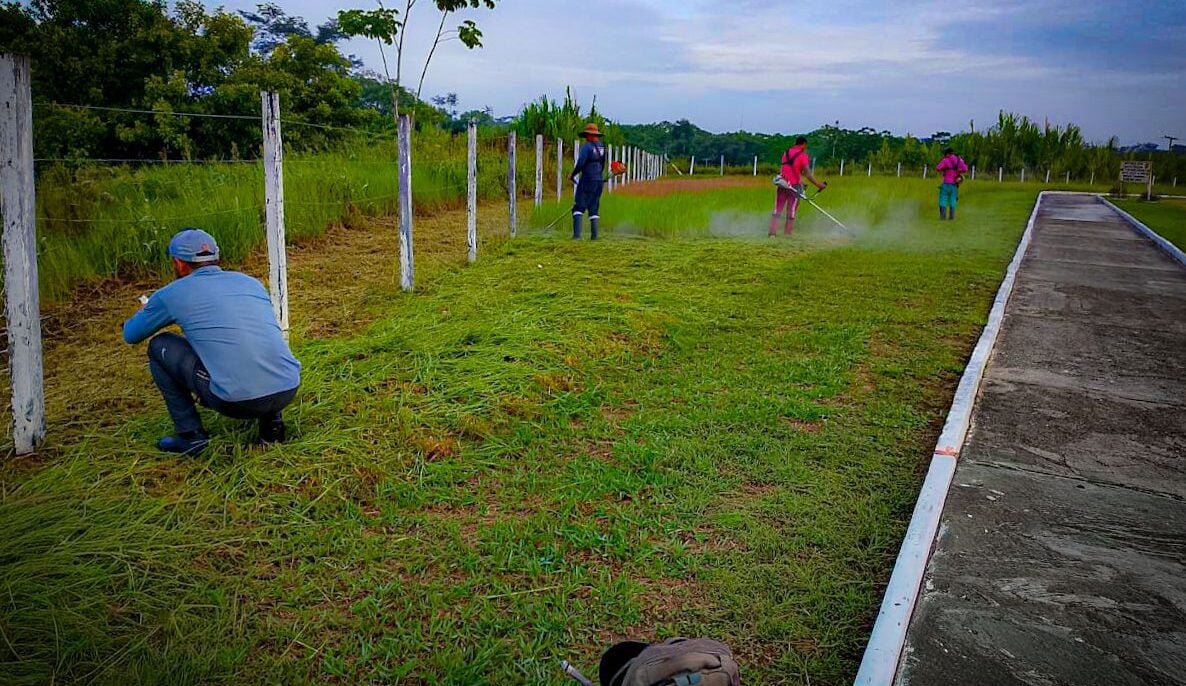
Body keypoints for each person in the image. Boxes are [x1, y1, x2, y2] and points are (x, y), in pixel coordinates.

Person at [123, 228, 301, 455]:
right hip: (288, 387)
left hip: (237, 401)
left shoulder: (171, 294)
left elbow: (131, 334)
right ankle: (272, 428)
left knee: (160, 345)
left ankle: (191, 437)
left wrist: (147, 310)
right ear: (216, 256)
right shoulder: (250, 282)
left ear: (178, 263)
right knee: (250, 340)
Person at [772, 136, 827, 237]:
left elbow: (788, 170)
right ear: (804, 144)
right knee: (791, 210)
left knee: (778, 209)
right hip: (794, 187)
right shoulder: (803, 155)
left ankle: (772, 233)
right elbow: (808, 173)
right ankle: (788, 234)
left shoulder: (786, 153)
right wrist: (819, 185)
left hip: (783, 184)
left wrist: (800, 181)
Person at [570, 123, 607, 240]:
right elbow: (603, 164)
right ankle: (594, 236)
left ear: (591, 135)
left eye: (587, 135)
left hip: (587, 179)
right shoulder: (602, 148)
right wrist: (599, 176)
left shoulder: (587, 147)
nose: (586, 138)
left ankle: (577, 236)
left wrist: (573, 174)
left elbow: (581, 163)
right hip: (598, 180)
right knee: (594, 207)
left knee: (579, 206)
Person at [936, 147, 969, 220]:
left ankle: (943, 216)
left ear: (947, 154)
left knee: (943, 198)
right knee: (953, 199)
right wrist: (958, 171)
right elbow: (965, 169)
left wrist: (945, 169)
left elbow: (938, 168)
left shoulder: (945, 160)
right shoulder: (959, 160)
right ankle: (952, 216)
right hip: (955, 183)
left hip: (946, 183)